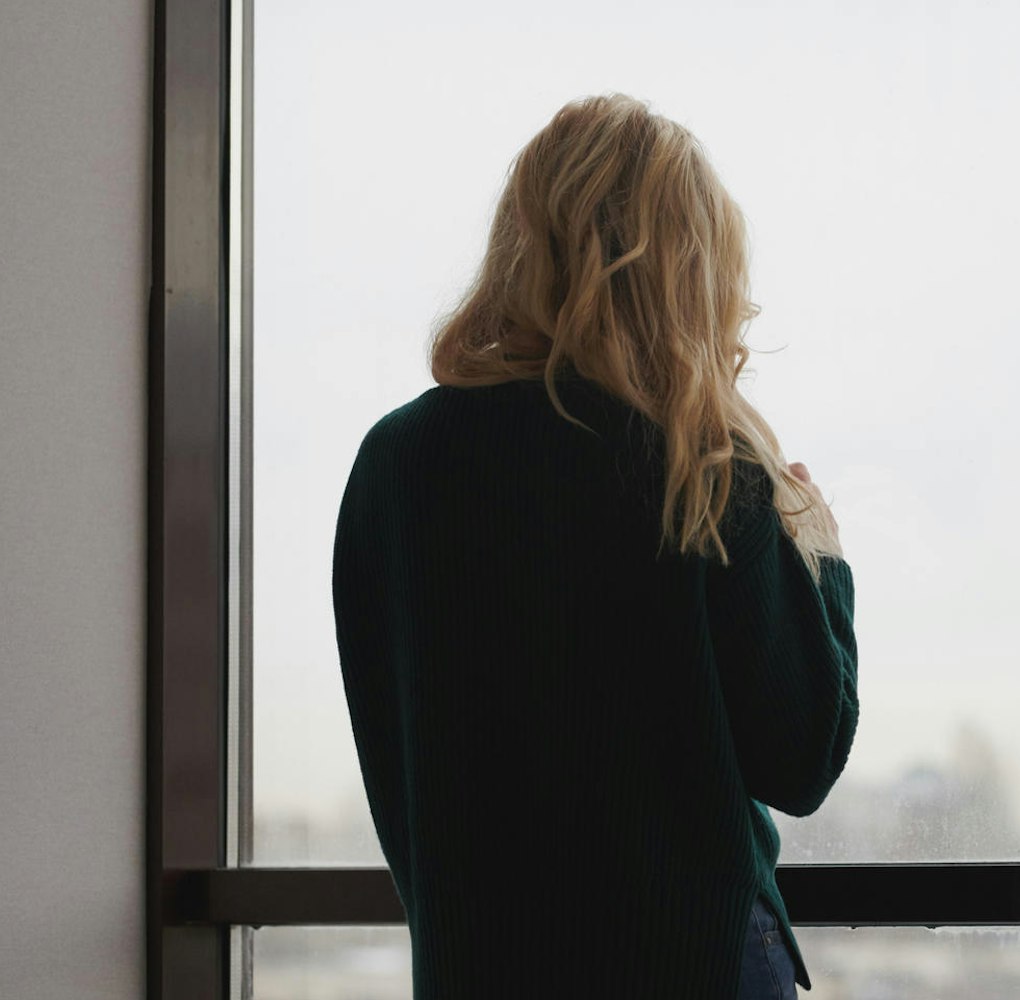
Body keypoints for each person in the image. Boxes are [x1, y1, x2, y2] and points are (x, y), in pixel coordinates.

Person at [330, 92, 858, 999]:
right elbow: (802, 758)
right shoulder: (697, 461)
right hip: (696, 967)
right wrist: (821, 557)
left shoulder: (395, 463)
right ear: (687, 268)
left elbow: (395, 747)